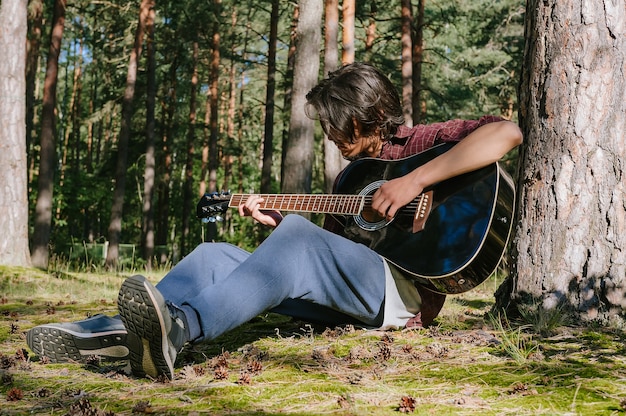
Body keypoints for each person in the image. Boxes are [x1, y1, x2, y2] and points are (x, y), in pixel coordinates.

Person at [26, 62, 523, 380]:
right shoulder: (353, 178)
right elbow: (326, 258)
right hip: (356, 291)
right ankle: (108, 332)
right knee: (214, 254)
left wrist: (414, 182)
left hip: (403, 294)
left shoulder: (420, 144)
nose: (328, 133)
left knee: (298, 238)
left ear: (366, 113)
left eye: (334, 121)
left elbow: (506, 133)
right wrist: (280, 226)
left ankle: (178, 332)